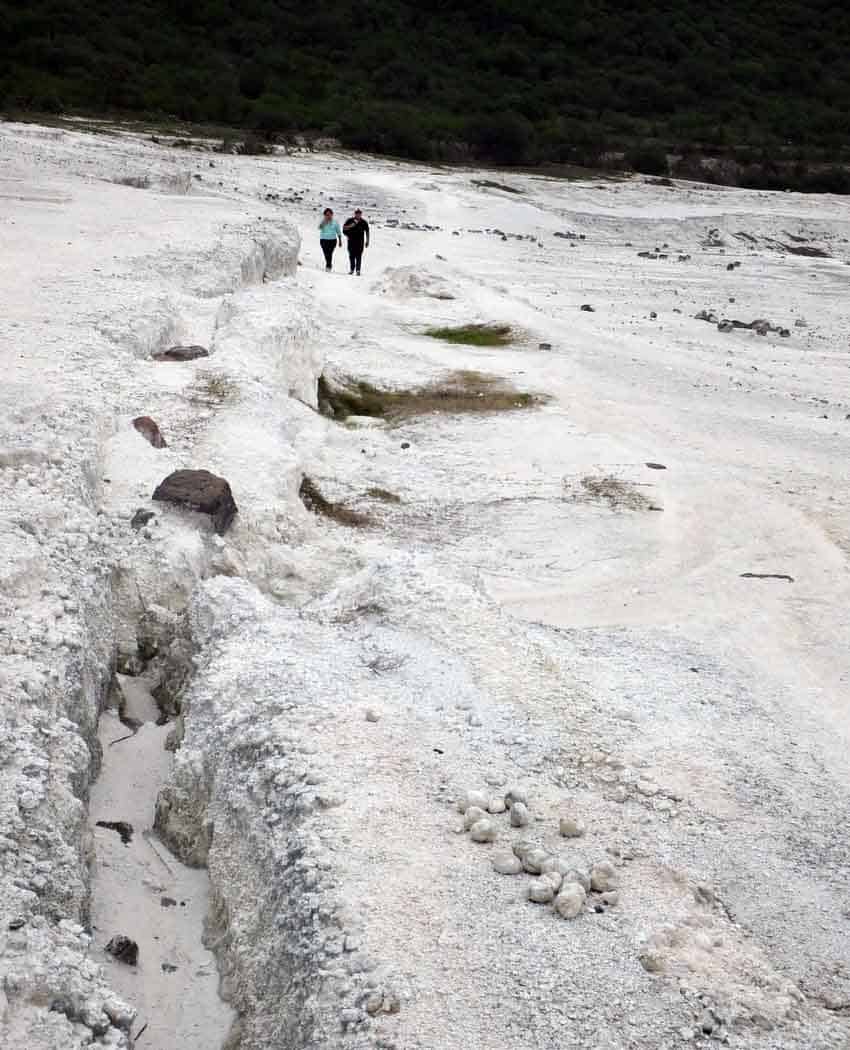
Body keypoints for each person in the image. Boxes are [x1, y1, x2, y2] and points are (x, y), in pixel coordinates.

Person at [342, 208, 370, 275]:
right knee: (351, 256)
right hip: (351, 241)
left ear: (361, 214)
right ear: (355, 214)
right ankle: (352, 269)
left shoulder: (364, 222)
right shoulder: (350, 220)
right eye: (357, 214)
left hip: (360, 242)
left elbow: (367, 231)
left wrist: (367, 241)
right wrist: (350, 226)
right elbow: (344, 228)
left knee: (359, 256)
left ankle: (358, 270)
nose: (358, 215)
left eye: (359, 214)